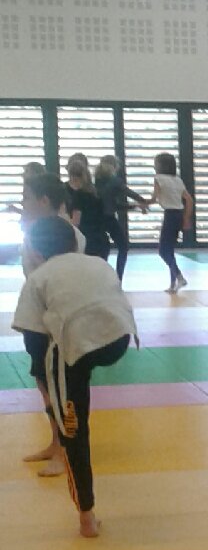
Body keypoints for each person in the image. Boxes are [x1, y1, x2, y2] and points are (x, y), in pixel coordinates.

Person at [12, 216, 138, 538]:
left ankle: (86, 517)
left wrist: (52, 393)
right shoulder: (98, 263)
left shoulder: (38, 277)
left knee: (74, 430)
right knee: (72, 353)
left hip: (76, 347)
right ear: (76, 242)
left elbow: (33, 339)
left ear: (35, 252)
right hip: (118, 338)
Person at [17, 170, 88, 476]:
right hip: (37, 315)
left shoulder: (63, 233)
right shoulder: (38, 229)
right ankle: (55, 441)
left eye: (27, 197)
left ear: (44, 200)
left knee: (60, 386)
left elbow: (57, 276)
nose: (23, 203)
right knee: (43, 380)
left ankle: (65, 450)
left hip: (56, 319)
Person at [95, 154, 148, 283]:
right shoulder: (114, 181)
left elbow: (112, 204)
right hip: (109, 218)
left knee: (102, 249)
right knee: (123, 247)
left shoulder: (96, 180)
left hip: (96, 220)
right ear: (114, 167)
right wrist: (143, 201)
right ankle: (118, 279)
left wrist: (134, 206)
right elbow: (128, 193)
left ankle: (100, 278)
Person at [150, 152, 192, 294]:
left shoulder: (158, 178)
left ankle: (179, 277)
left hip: (170, 215)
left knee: (163, 251)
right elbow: (189, 200)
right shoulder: (177, 180)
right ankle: (172, 284)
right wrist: (186, 218)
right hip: (179, 214)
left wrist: (142, 204)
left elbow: (154, 198)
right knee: (170, 250)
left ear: (160, 166)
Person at [65, 154, 111, 260]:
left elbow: (76, 222)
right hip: (101, 239)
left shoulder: (78, 195)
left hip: (86, 242)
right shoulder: (96, 193)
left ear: (73, 177)